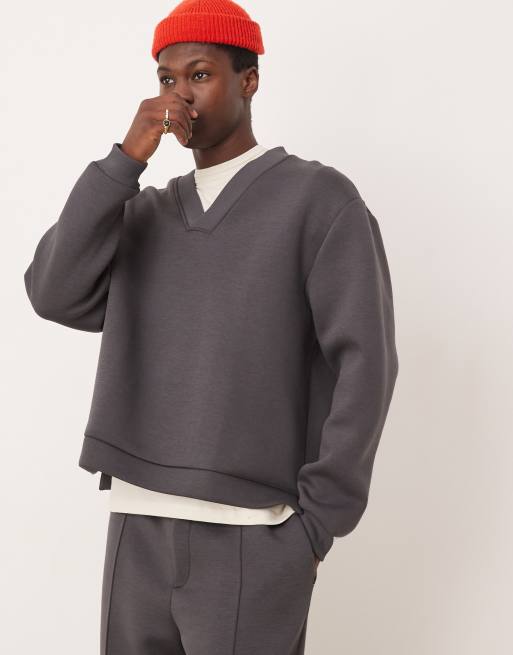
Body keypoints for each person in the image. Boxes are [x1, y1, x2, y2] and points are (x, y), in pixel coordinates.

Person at [23, 0, 399, 652]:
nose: (180, 95)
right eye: (167, 79)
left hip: (254, 533)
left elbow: (365, 363)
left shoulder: (317, 199)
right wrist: (124, 161)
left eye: (200, 74)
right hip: (136, 523)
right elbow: (53, 293)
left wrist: (317, 524)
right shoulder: (143, 213)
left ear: (248, 80)